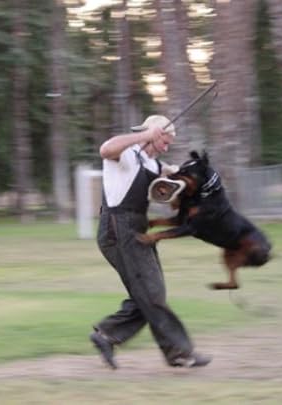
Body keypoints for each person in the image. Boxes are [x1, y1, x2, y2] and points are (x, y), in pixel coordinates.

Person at [90, 114, 212, 369]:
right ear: (154, 134)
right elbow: (105, 149)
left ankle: (107, 334)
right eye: (164, 141)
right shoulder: (126, 153)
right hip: (118, 228)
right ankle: (179, 352)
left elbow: (169, 178)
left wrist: (182, 177)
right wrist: (145, 135)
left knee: (149, 293)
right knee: (151, 292)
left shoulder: (152, 164)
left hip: (136, 228)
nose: (165, 147)